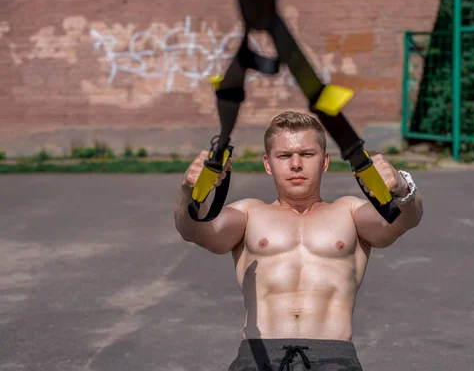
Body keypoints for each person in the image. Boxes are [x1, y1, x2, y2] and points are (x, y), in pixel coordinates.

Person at [174, 111, 423, 370]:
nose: (295, 164)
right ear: (268, 163)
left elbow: (405, 220)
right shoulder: (249, 214)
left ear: (324, 161)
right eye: (284, 156)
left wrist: (401, 187)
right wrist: (188, 190)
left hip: (333, 358)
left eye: (306, 154)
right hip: (258, 357)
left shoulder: (349, 212)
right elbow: (193, 229)